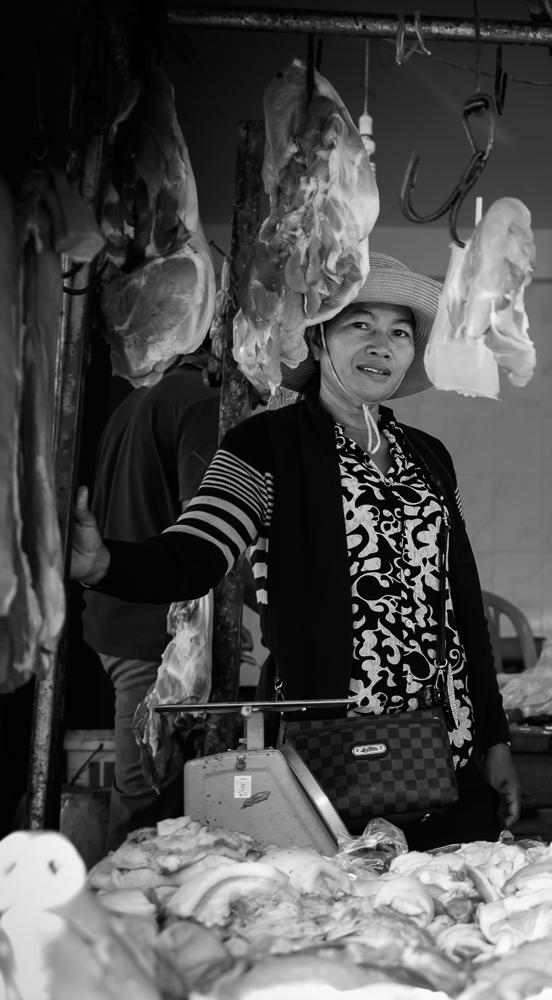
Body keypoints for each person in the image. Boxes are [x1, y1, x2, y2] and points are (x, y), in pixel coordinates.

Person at [71, 254, 520, 849]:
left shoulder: (430, 456)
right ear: (318, 335)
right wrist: (105, 564)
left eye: (400, 331)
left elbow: (462, 605)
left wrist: (496, 741)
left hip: (446, 748)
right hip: (330, 757)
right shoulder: (265, 444)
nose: (382, 345)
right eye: (360, 324)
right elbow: (197, 551)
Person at [81, 352, 220, 852]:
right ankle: (122, 917)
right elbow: (204, 533)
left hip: (115, 620)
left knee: (152, 789)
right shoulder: (204, 401)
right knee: (149, 802)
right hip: (152, 639)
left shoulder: (141, 397)